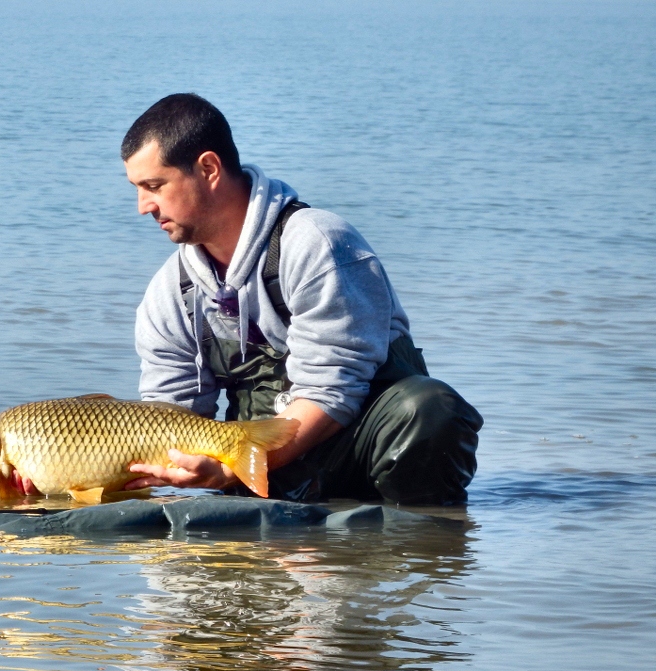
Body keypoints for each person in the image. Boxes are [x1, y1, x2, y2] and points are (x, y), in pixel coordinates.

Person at [121, 93, 483, 505]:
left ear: (208, 168)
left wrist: (226, 471)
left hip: (358, 449)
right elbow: (166, 419)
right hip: (260, 468)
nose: (142, 206)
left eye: (154, 186)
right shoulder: (168, 294)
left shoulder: (318, 243)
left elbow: (332, 390)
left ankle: (421, 544)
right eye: (137, 188)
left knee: (430, 409)